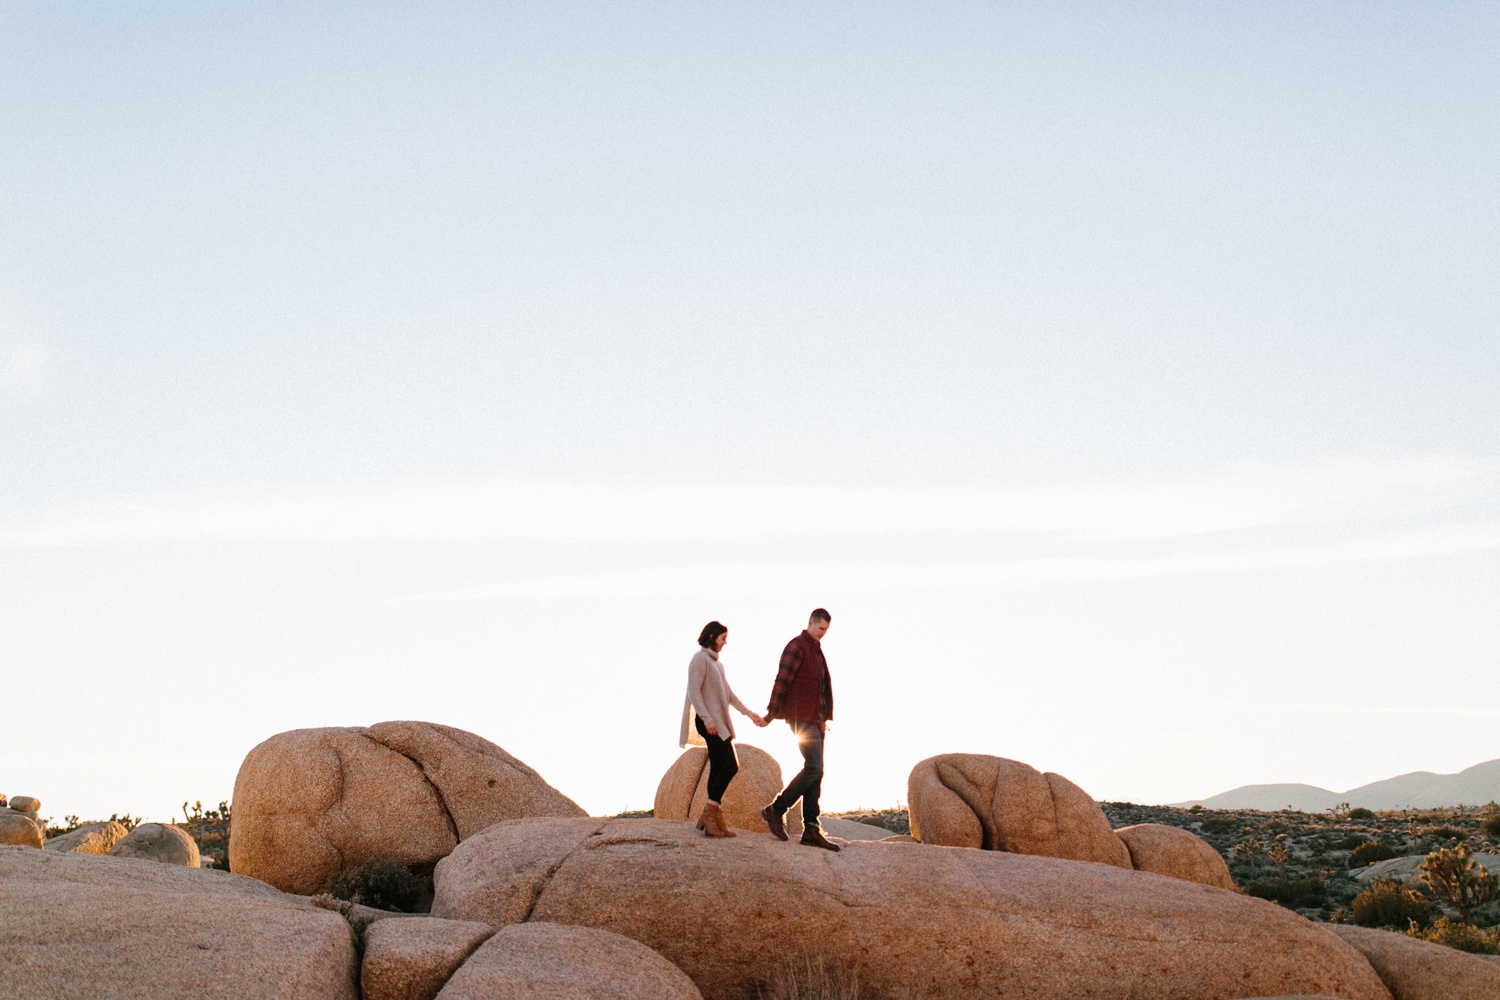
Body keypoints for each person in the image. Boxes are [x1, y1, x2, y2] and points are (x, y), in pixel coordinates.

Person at [760, 608, 840, 851]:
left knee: (816, 772)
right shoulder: (797, 646)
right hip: (802, 720)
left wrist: (824, 717)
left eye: (826, 630)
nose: (823, 634)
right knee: (814, 768)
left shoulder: (817, 651)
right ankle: (776, 809)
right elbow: (782, 679)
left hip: (816, 721)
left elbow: (821, 688)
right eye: (820, 629)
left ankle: (811, 829)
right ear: (810, 623)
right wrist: (771, 713)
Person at [680, 620, 766, 837]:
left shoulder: (717, 665)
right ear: (712, 637)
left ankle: (711, 817)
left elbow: (729, 695)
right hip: (708, 722)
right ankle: (710, 813)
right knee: (730, 765)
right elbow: (693, 692)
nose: (725, 643)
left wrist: (749, 713)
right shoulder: (699, 660)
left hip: (717, 721)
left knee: (720, 766)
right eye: (723, 638)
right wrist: (707, 719)